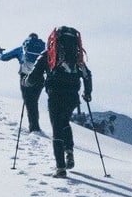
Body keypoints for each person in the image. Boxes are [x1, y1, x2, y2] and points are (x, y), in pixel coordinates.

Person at [25, 26, 92, 177]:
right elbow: (87, 75)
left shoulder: (49, 53)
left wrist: (27, 82)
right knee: (64, 122)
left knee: (57, 127)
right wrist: (87, 93)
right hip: (72, 97)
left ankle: (60, 168)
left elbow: (34, 75)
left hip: (55, 95)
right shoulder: (76, 56)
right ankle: (69, 151)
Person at [0, 32, 46, 132]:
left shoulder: (22, 49)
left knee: (29, 102)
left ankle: (34, 128)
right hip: (40, 77)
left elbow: (4, 57)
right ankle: (35, 126)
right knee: (34, 101)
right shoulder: (43, 50)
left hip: (25, 77)